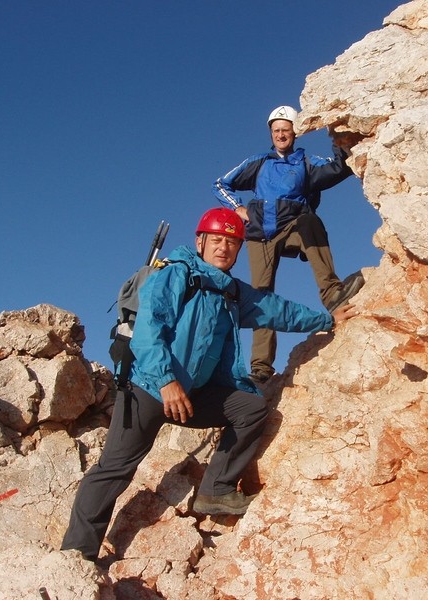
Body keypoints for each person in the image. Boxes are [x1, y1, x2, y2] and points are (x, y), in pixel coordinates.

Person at [60, 207, 358, 561]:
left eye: (232, 243)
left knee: (250, 407)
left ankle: (215, 489)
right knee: (114, 469)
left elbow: (277, 309)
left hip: (191, 397)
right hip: (147, 389)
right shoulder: (175, 275)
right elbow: (147, 332)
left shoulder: (231, 292)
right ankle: (76, 554)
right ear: (200, 241)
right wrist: (167, 381)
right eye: (216, 240)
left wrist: (327, 318)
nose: (224, 248)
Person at [213, 104, 363, 385]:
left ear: (295, 133)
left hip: (292, 227)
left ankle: (332, 293)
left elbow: (336, 169)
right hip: (260, 234)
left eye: (286, 130)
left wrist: (341, 140)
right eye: (276, 130)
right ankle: (261, 367)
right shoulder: (259, 162)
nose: (281, 135)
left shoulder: (305, 161)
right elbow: (221, 184)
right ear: (271, 133)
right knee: (260, 296)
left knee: (311, 223)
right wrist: (238, 209)